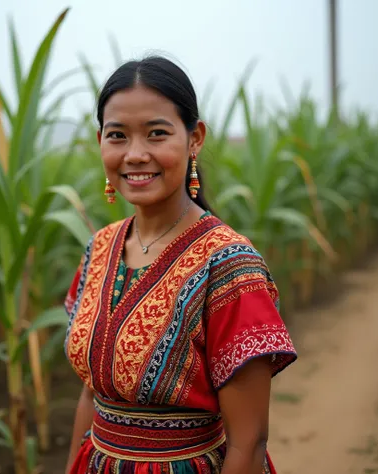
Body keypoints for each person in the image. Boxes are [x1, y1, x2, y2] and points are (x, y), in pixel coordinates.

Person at [64, 55, 297, 474]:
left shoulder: (229, 265)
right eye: (117, 135)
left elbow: (249, 440)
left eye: (157, 134)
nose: (135, 154)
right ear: (101, 140)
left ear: (194, 139)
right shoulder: (99, 248)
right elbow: (90, 394)